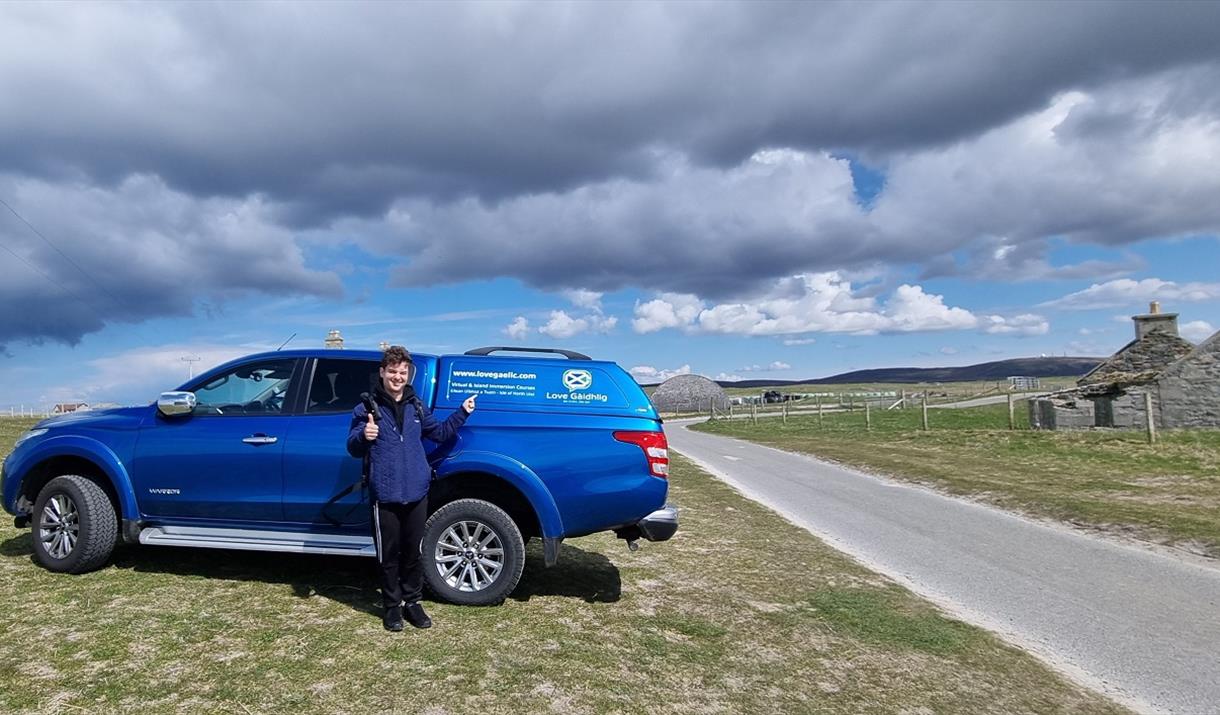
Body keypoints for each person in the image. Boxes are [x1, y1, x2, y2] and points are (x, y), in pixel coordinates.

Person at [347, 345, 476, 632]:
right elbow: (353, 447)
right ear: (382, 372)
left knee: (413, 553)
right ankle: (392, 606)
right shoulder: (366, 408)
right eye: (392, 371)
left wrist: (462, 413)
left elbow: (439, 433)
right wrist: (364, 435)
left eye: (402, 372)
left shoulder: (416, 405)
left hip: (417, 490)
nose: (397, 377)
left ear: (408, 374)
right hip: (385, 493)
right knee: (388, 555)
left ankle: (413, 603)